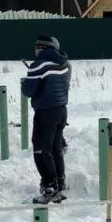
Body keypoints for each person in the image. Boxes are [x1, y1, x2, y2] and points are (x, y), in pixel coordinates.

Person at [21, 34, 71, 204]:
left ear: (42, 48)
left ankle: (50, 186)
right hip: (61, 110)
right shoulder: (63, 63)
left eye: (37, 48)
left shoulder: (38, 65)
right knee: (55, 148)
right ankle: (60, 184)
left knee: (41, 149)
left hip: (45, 112)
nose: (35, 51)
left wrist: (25, 82)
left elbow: (28, 91)